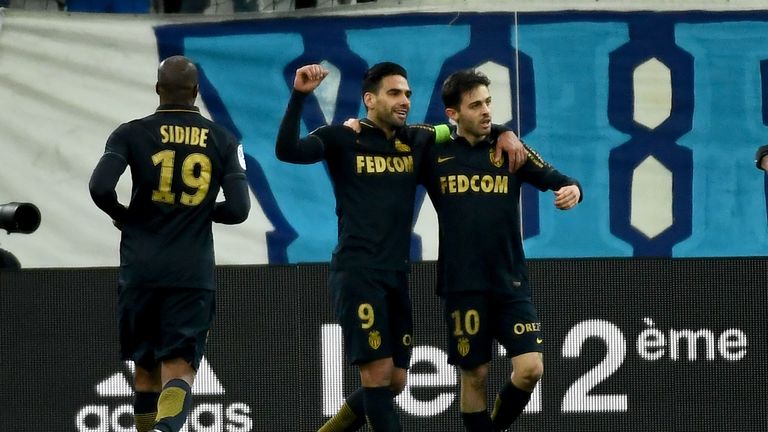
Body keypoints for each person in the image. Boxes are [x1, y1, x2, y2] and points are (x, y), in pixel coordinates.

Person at [275, 62, 525, 432]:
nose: (404, 100)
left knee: (395, 381)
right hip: (358, 272)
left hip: (396, 273)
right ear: (369, 100)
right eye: (394, 93)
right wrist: (299, 96)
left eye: (407, 93)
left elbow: (466, 125)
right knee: (376, 379)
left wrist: (505, 133)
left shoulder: (418, 138)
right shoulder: (342, 138)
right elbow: (288, 150)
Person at [89, 55, 250, 432]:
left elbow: (99, 187)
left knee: (145, 371)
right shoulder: (224, 140)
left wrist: (126, 216)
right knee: (178, 368)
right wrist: (199, 211)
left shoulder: (129, 133)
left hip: (140, 268)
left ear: (158, 88)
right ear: (196, 92)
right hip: (190, 272)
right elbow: (240, 209)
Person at [419, 69, 582, 432]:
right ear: (453, 114)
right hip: (462, 284)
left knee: (531, 369)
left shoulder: (509, 147)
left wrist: (573, 189)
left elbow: (559, 178)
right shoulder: (434, 150)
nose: (486, 111)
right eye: (475, 105)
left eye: (488, 103)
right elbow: (397, 135)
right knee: (474, 377)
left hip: (509, 282)